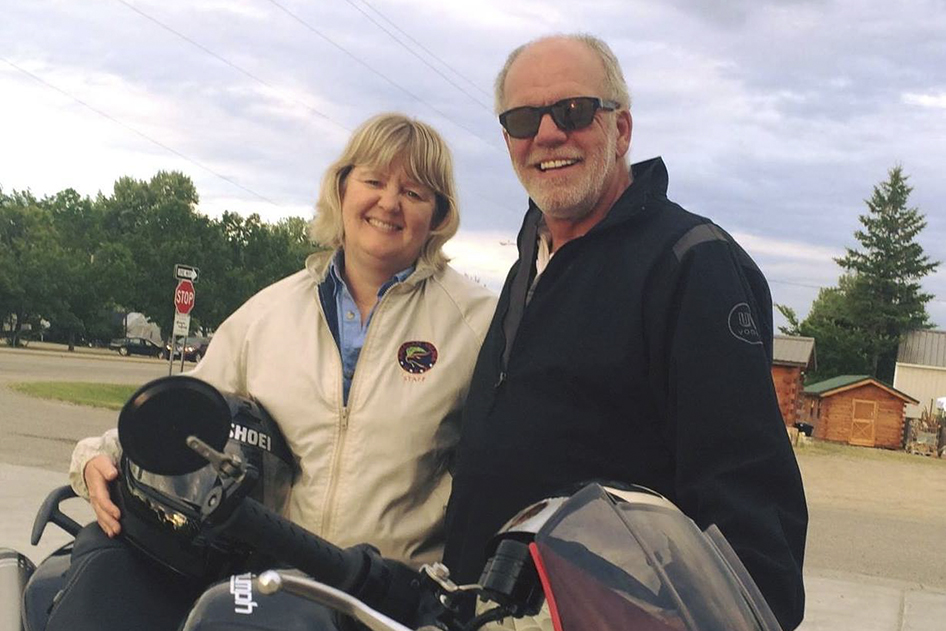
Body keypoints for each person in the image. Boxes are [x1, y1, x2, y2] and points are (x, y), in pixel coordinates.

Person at [52, 113, 497, 630]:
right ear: (342, 187)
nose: (389, 203)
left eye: (415, 192)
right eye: (374, 181)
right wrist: (94, 457)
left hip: (395, 609)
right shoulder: (268, 313)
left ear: (439, 214)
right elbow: (188, 410)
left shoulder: (478, 323)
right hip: (278, 599)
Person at [441, 34, 808, 631]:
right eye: (522, 119)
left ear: (623, 129)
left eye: (574, 111)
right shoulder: (527, 266)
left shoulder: (693, 263)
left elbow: (748, 507)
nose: (548, 134)